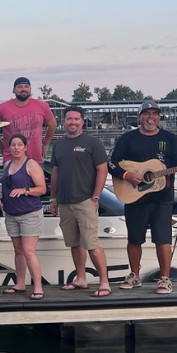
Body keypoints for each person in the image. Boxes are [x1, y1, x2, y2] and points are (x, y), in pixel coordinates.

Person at [109, 100, 177, 294]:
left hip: (162, 198)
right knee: (134, 238)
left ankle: (165, 278)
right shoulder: (127, 138)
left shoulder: (170, 139)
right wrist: (127, 175)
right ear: (139, 117)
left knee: (163, 239)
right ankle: (134, 275)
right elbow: (110, 162)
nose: (151, 117)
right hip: (135, 197)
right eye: (147, 114)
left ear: (159, 117)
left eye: (155, 114)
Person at [49, 106, 111, 297]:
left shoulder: (92, 143)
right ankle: (81, 278)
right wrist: (53, 198)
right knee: (74, 243)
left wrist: (96, 197)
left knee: (91, 243)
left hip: (85, 201)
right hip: (65, 202)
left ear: (82, 122)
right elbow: (55, 172)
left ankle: (104, 282)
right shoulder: (58, 145)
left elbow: (103, 170)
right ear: (64, 121)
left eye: (76, 119)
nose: (72, 122)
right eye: (69, 119)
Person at [0, 134, 47, 300]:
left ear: (25, 147)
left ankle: (38, 286)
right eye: (13, 145)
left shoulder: (31, 164)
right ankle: (20, 283)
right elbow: (7, 186)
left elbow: (42, 189)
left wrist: (25, 191)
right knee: (18, 250)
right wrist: (1, 197)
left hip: (29, 213)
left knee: (28, 251)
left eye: (20, 145)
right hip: (11, 214)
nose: (16, 148)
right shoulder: (7, 164)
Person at [0, 77, 57, 164]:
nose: (23, 89)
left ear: (30, 89)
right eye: (20, 87)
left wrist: (45, 145)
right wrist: (2, 147)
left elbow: (53, 125)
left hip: (35, 158)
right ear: (13, 90)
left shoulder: (42, 106)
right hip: (11, 159)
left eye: (26, 86)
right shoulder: (2, 108)